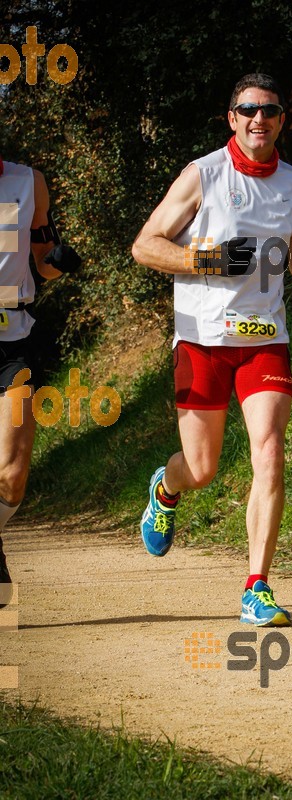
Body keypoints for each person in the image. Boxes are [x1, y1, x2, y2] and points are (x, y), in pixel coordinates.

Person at [132, 73, 292, 626]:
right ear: (232, 118)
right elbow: (145, 246)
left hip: (264, 339)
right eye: (249, 110)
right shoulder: (203, 175)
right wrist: (207, 262)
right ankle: (166, 489)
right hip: (203, 338)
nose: (260, 119)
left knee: (270, 451)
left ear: (282, 120)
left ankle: (256, 586)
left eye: (271, 110)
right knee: (203, 468)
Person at [0, 156, 81, 608]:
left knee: (12, 473)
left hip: (11, 341)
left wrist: (57, 261)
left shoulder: (28, 182)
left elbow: (42, 262)